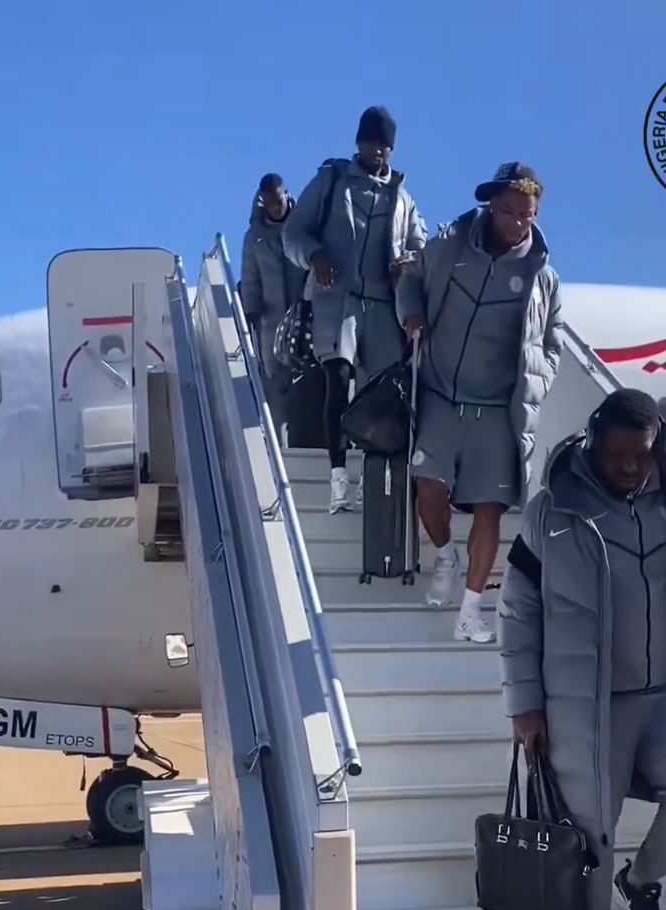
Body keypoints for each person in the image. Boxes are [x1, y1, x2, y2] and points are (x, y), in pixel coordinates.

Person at [498, 388, 666, 910]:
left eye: (641, 454)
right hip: (587, 702)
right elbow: (518, 610)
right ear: (594, 441)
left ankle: (642, 880)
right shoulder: (552, 512)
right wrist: (524, 704)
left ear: (657, 446)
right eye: (618, 454)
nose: (630, 467)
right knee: (591, 826)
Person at [397, 163, 563, 644]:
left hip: (497, 410)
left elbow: (552, 341)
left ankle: (471, 610)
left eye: (528, 215)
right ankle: (444, 554)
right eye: (509, 211)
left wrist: (539, 379)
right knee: (429, 490)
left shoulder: (542, 278)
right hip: (441, 395)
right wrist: (412, 314)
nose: (518, 222)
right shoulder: (451, 247)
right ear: (490, 205)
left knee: (490, 508)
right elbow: (411, 279)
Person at [282, 106, 426, 513]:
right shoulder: (332, 181)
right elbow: (294, 232)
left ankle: (367, 475)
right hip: (337, 299)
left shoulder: (403, 199)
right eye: (370, 142)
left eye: (384, 145)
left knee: (378, 394)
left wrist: (408, 264)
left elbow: (420, 248)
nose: (377, 150)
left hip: (382, 306)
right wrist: (314, 254)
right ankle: (337, 475)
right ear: (358, 142)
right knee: (339, 378)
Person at [241, 173, 306, 431]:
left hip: (303, 317)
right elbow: (250, 277)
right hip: (271, 320)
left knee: (305, 374)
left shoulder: (302, 228)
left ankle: (304, 433)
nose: (275, 208)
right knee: (273, 378)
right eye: (269, 203)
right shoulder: (255, 238)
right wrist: (251, 309)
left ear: (286, 196)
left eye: (278, 201)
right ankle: (278, 439)